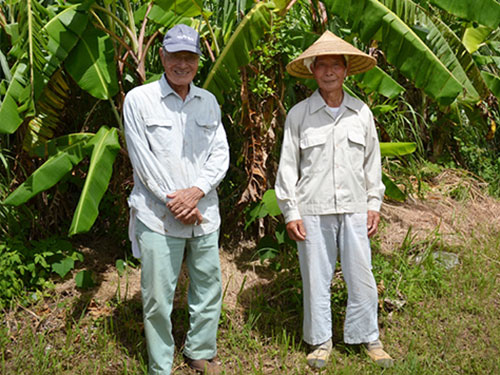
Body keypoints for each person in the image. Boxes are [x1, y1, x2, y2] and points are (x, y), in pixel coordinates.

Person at [275, 30, 393, 369]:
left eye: (335, 65)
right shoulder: (299, 115)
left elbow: (372, 162)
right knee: (315, 277)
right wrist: (290, 211)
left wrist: (374, 204)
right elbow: (287, 166)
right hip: (312, 208)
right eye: (322, 65)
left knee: (362, 275)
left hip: (356, 207)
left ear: (346, 70)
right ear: (312, 71)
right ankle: (321, 341)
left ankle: (369, 337)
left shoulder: (361, 113)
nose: (329, 72)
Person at [123, 24, 229, 375]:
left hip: (204, 214)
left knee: (208, 288)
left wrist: (196, 193)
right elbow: (144, 161)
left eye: (190, 57)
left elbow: (220, 154)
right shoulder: (139, 100)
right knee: (156, 298)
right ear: (162, 56)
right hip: (158, 215)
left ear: (198, 61)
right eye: (175, 56)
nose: (182, 64)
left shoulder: (208, 101)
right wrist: (177, 202)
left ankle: (200, 350)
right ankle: (161, 364)